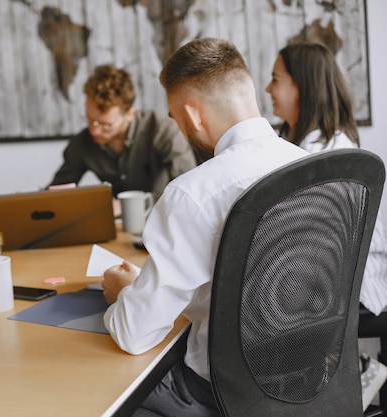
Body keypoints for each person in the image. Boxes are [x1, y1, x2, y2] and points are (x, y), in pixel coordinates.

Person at [101, 38, 309, 417]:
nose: (179, 127)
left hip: (216, 397)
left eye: (175, 117)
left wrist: (124, 293)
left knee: (104, 385)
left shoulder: (192, 194)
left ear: (193, 116)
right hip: (309, 381)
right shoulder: (315, 169)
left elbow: (134, 334)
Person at [266, 41, 387, 410]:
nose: (267, 89)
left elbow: (309, 238)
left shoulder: (325, 151)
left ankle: (350, 372)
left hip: (348, 271)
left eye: (275, 80)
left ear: (302, 86)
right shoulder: (293, 140)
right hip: (322, 264)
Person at [48, 64, 197, 202]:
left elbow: (189, 186)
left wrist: (130, 205)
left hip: (168, 220)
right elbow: (55, 194)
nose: (94, 130)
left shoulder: (162, 130)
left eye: (105, 124)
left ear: (129, 114)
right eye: (90, 119)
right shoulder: (82, 144)